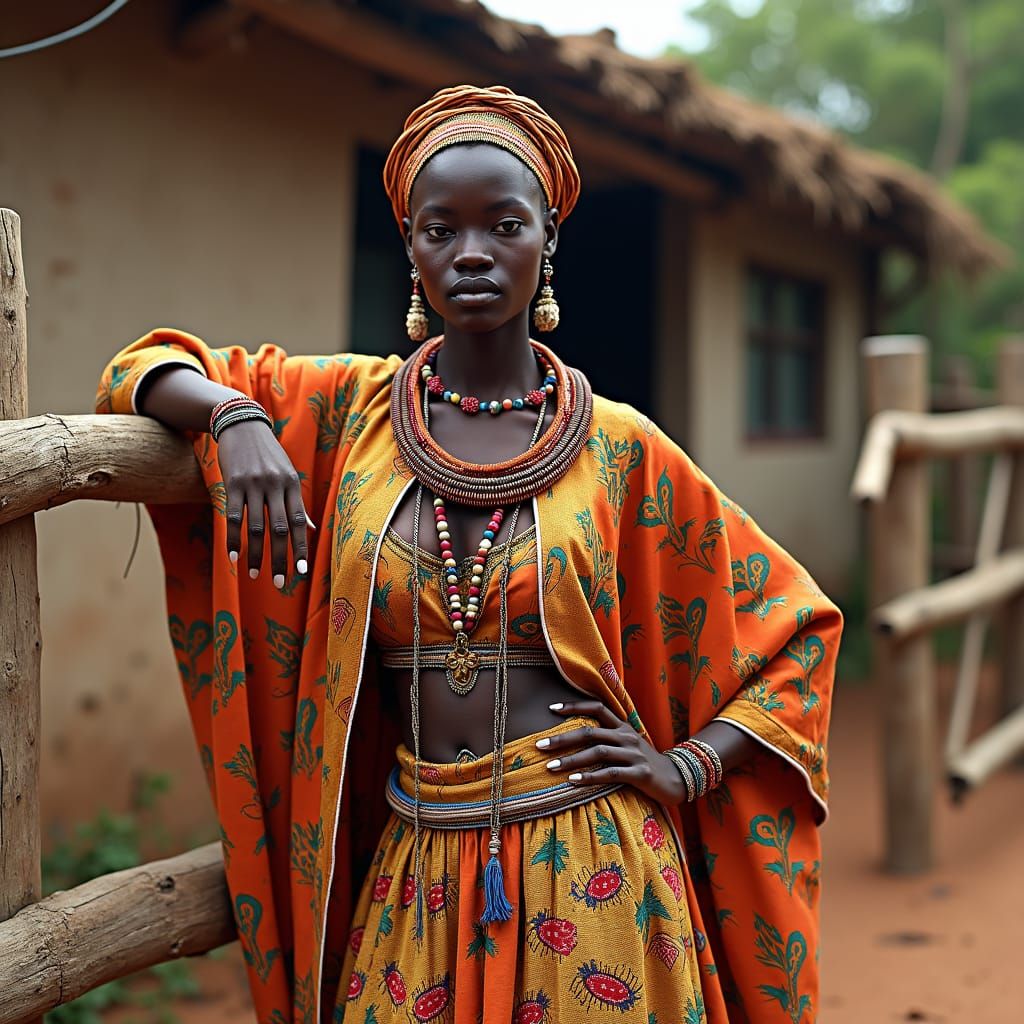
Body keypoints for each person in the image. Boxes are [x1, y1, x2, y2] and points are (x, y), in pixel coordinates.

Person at [96, 85, 841, 1024]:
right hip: (416, 860)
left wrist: (684, 766)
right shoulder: (347, 413)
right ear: (410, 249)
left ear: (547, 242)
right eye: (440, 229)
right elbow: (139, 366)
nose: (473, 253)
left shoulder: (621, 450)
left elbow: (797, 628)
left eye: (505, 224)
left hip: (595, 860)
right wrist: (234, 416)